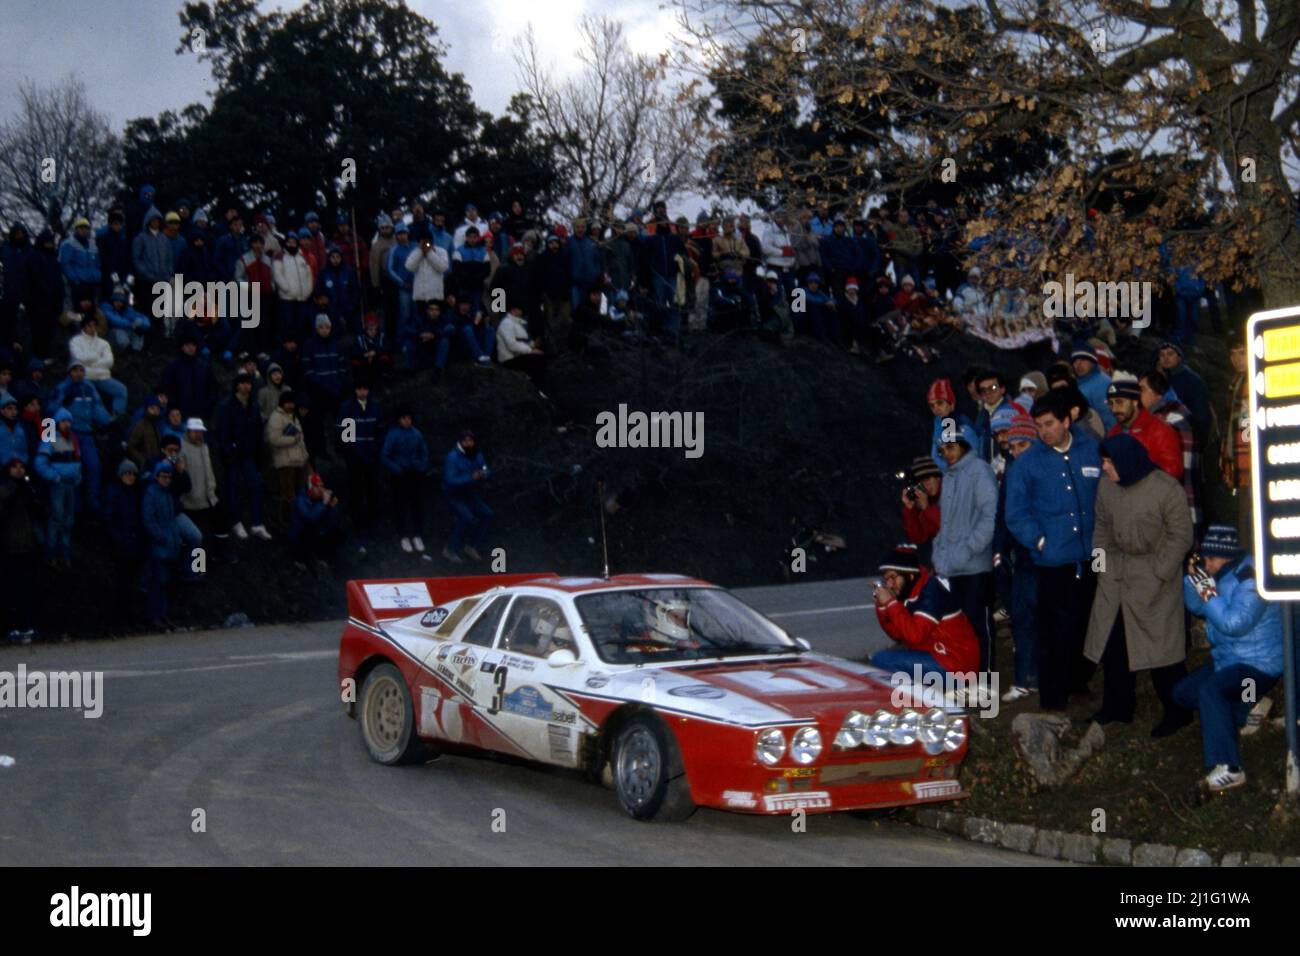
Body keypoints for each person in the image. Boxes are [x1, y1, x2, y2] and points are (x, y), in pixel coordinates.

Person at [1083, 433, 1195, 733]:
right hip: (1116, 574)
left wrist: (1160, 570)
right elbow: (1101, 531)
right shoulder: (1106, 487)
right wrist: (1101, 569)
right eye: (1103, 461)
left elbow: (1181, 535)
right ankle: (1118, 707)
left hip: (1154, 576)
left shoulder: (1166, 489)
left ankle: (1177, 709)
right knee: (1114, 642)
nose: (1104, 467)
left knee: (1162, 649)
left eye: (1108, 461)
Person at [1005, 389, 1103, 711]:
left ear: (1067, 420)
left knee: (1086, 622)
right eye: (1039, 425)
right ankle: (1052, 699)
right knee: (1051, 632)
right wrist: (1039, 541)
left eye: (1049, 424)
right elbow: (1016, 514)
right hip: (1051, 561)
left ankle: (1078, 683)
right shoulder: (1027, 464)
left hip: (1091, 556)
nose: (1044, 431)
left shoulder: (1091, 450)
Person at [1176, 525, 1283, 793]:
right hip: (1230, 661)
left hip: (1258, 666)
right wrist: (1194, 582)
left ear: (1226, 556)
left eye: (1210, 559)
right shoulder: (1220, 574)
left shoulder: (1251, 579)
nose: (1207, 564)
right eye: (1204, 559)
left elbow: (1233, 624)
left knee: (1212, 691)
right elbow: (1197, 607)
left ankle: (1229, 767)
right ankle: (1248, 708)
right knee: (1183, 693)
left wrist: (1207, 590)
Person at [931, 423, 998, 671]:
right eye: (943, 450)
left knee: (978, 626)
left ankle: (984, 681)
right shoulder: (949, 476)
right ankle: (966, 679)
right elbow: (945, 523)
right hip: (952, 567)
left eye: (951, 448)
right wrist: (940, 553)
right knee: (958, 628)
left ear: (963, 446)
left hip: (975, 567)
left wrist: (967, 549)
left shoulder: (979, 471)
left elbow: (989, 516)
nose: (947, 454)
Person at [870, 544, 980, 678]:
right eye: (886, 579)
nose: (890, 584)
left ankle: (944, 691)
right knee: (882, 661)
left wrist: (890, 603)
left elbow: (914, 636)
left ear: (910, 575)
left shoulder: (931, 591)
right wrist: (882, 607)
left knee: (882, 660)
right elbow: (897, 635)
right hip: (939, 656)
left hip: (956, 664)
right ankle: (924, 691)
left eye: (893, 577)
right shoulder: (909, 589)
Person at [997, 413, 1040, 700]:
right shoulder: (1012, 473)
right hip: (1022, 557)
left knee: (1044, 617)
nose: (1015, 452)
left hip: (1047, 555)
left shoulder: (1045, 470)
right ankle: (1026, 677)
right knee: (1022, 616)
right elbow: (1003, 515)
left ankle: (1048, 677)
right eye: (1012, 447)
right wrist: (998, 549)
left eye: (1022, 445)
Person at [1141, 367, 1199, 535]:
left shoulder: (1174, 418)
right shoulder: (1162, 416)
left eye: (1143, 390)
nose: (1137, 395)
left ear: (1158, 394)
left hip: (1181, 507)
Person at [49, 361, 110, 517]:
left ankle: (92, 501)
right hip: (70, 434)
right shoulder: (64, 388)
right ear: (70, 372)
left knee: (94, 466)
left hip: (87, 433)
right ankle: (74, 506)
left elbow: (97, 407)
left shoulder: (89, 387)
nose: (78, 373)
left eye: (81, 370)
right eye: (75, 370)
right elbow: (52, 409)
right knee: (73, 468)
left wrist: (108, 421)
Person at [214, 373, 271, 541]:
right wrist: (229, 448)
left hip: (248, 454)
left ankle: (256, 523)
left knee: (255, 485)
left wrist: (257, 450)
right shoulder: (227, 405)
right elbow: (222, 431)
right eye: (244, 383)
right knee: (233, 488)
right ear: (237, 385)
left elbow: (258, 430)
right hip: (233, 455)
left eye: (249, 383)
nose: (247, 386)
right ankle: (236, 522)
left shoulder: (253, 405)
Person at [1105, 373, 1183, 480]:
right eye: (1110, 403)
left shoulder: (1160, 430)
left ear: (1135, 401)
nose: (1114, 409)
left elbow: (1173, 470)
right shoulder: (1113, 433)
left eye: (1119, 402)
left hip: (1152, 494)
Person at [336, 378, 382, 541]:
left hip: (371, 456)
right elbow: (344, 434)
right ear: (355, 390)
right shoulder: (347, 407)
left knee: (372, 488)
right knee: (355, 489)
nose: (363, 392)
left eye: (365, 389)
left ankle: (372, 521)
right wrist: (352, 452)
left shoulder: (375, 406)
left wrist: (375, 449)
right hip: (354, 457)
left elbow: (380, 431)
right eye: (359, 389)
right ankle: (356, 520)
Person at [34, 409, 81, 569]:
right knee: (56, 518)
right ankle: (51, 553)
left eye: (69, 421)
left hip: (71, 484)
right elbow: (40, 463)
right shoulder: (50, 438)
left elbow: (77, 459)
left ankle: (64, 551)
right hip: (58, 484)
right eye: (63, 421)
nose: (67, 424)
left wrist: (77, 476)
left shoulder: (72, 438)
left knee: (68, 519)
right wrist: (55, 477)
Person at [0, 457, 40, 643]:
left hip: (26, 544)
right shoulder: (6, 488)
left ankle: (27, 625)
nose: (19, 470)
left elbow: (38, 508)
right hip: (9, 546)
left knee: (27, 588)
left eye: (21, 466)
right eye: (15, 467)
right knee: (11, 589)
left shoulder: (27, 488)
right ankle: (12, 627)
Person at [380, 406, 429, 555]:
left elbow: (424, 452)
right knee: (400, 506)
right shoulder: (393, 434)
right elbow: (384, 455)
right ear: (399, 420)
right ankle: (403, 536)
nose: (407, 421)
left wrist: (421, 466)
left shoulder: (417, 433)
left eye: (409, 418)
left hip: (414, 474)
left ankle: (417, 535)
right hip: (399, 475)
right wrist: (396, 469)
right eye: (403, 418)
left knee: (417, 505)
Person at [103, 458, 145, 624]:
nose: (130, 476)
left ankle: (129, 616)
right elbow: (108, 518)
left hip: (134, 543)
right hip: (121, 544)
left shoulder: (136, 493)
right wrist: (118, 538)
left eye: (133, 473)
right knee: (122, 581)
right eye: (127, 473)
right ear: (121, 475)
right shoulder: (114, 492)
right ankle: (119, 617)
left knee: (132, 580)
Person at [1220, 328, 1251, 548]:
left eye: (1242, 352)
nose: (1237, 359)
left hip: (1253, 465)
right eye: (1233, 354)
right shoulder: (1235, 383)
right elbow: (1232, 427)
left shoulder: (1255, 382)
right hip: (1238, 466)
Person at [442, 428, 493, 564]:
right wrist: (471, 477)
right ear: (461, 442)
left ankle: (472, 546)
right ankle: (450, 549)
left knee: (488, 515)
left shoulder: (477, 454)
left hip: (470, 494)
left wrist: (484, 474)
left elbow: (485, 468)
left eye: (471, 441)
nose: (469, 443)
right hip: (454, 495)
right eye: (466, 441)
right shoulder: (452, 457)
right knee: (466, 518)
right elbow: (450, 480)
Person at [141, 460, 181, 628]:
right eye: (163, 476)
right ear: (156, 477)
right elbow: (148, 520)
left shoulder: (166, 493)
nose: (166, 480)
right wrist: (161, 536)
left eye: (169, 477)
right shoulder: (151, 493)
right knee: (157, 582)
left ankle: (163, 614)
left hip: (169, 543)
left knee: (165, 583)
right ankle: (154, 616)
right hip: (159, 544)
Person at [288, 472, 344, 571]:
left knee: (337, 532)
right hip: (300, 534)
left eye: (321, 486)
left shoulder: (321, 500)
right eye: (317, 487)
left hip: (316, 532)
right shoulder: (301, 500)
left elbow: (333, 522)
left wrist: (332, 508)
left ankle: (322, 556)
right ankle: (299, 559)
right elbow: (310, 518)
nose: (321, 490)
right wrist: (324, 504)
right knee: (310, 529)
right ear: (310, 488)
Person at [901, 456, 941, 547]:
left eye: (927, 479)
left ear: (938, 477)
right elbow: (918, 538)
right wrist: (910, 510)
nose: (926, 485)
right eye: (921, 482)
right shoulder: (927, 500)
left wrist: (927, 509)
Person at [0, 394, 28, 467]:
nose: (13, 412)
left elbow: (26, 450)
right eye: (9, 408)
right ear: (2, 410)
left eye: (15, 409)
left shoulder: (22, 428)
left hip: (21, 467)